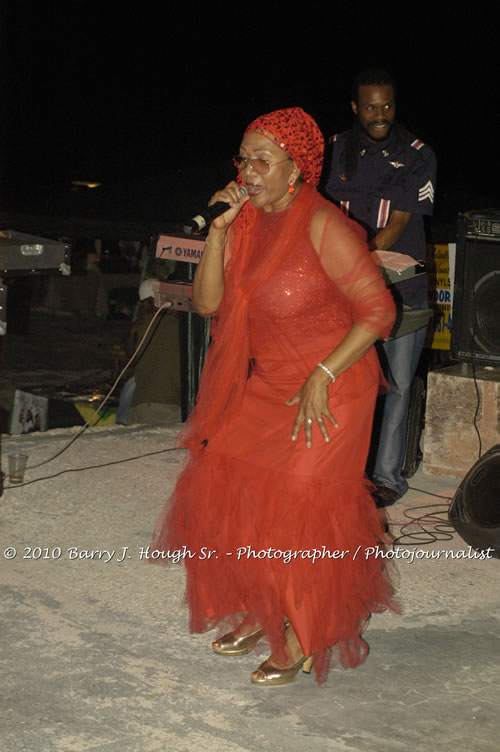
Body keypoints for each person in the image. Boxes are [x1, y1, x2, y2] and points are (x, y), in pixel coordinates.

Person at [152, 107, 398, 686]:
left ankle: (302, 633)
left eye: (263, 160)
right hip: (271, 383)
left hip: (334, 385)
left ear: (297, 169)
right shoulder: (244, 221)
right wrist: (217, 232)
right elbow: (209, 303)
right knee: (227, 480)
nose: (249, 170)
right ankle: (266, 613)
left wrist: (323, 373)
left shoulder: (323, 225)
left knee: (296, 511)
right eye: (244, 158)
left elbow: (378, 311)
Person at [325, 69, 437, 507]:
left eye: (386, 106)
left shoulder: (418, 154)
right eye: (370, 106)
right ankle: (343, 469)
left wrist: (358, 259)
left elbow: (401, 222)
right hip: (342, 293)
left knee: (399, 385)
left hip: (401, 292)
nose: (379, 115)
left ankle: (387, 477)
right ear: (355, 107)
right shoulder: (334, 151)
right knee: (347, 383)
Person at [121, 279, 181, 426]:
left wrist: (131, 333)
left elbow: (131, 356)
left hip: (140, 403)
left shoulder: (141, 326)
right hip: (165, 404)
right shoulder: (178, 324)